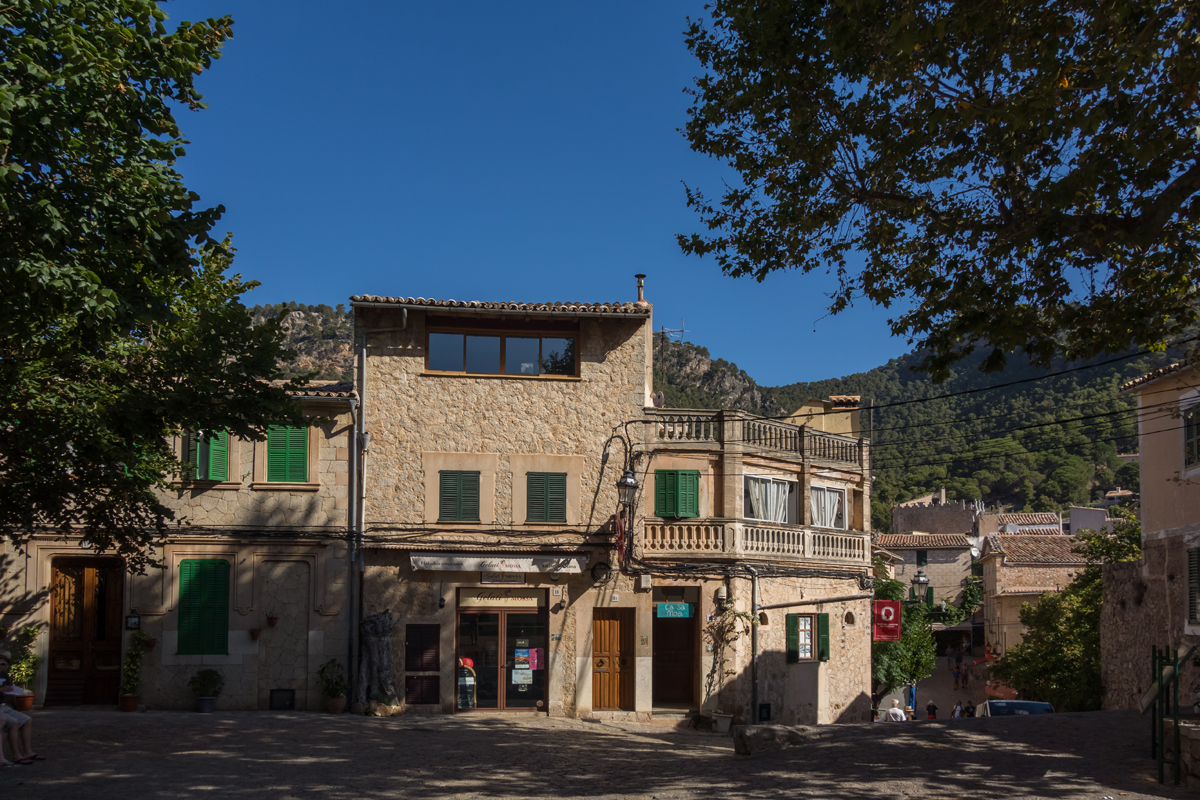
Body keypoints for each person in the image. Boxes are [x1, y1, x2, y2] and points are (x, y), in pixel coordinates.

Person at [0, 652, 43, 766]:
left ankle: (27, 752)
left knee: (27, 720)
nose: (0, 665)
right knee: (13, 722)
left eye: (3, 663)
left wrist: (15, 692)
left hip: (2, 706)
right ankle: (16, 755)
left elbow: (6, 692)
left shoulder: (4, 675)